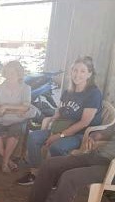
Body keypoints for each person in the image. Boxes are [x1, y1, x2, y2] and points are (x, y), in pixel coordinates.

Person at [17, 56, 103, 185]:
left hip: (81, 134)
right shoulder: (68, 91)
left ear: (89, 74)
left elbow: (84, 122)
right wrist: (52, 122)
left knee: (57, 146)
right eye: (75, 70)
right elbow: (59, 111)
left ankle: (57, 178)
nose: (77, 74)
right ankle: (36, 173)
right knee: (33, 137)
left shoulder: (93, 93)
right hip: (62, 128)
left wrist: (59, 135)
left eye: (82, 71)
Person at [0, 61, 32, 173]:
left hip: (18, 120)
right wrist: (15, 109)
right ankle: (9, 161)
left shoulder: (26, 88)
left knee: (15, 130)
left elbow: (25, 107)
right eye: (7, 72)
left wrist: (5, 107)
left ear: (19, 73)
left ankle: (5, 163)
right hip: (0, 118)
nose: (9, 75)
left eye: (13, 72)